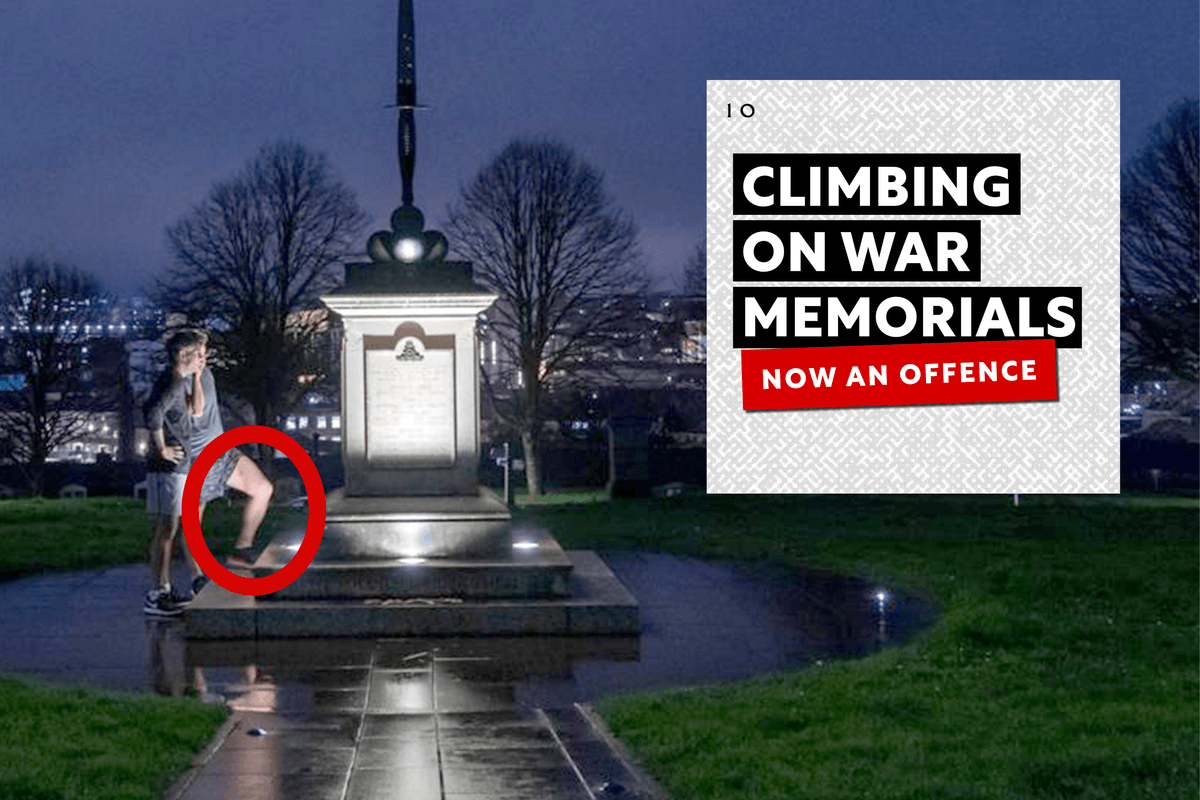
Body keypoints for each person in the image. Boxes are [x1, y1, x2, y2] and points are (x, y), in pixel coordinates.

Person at [142, 329, 274, 616]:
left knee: (262, 488)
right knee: (184, 527)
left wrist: (200, 375)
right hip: (194, 460)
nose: (206, 357)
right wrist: (161, 448)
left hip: (221, 452)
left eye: (205, 352)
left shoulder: (205, 375)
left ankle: (242, 548)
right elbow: (190, 413)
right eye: (200, 353)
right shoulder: (173, 381)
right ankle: (187, 581)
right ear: (185, 355)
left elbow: (201, 407)